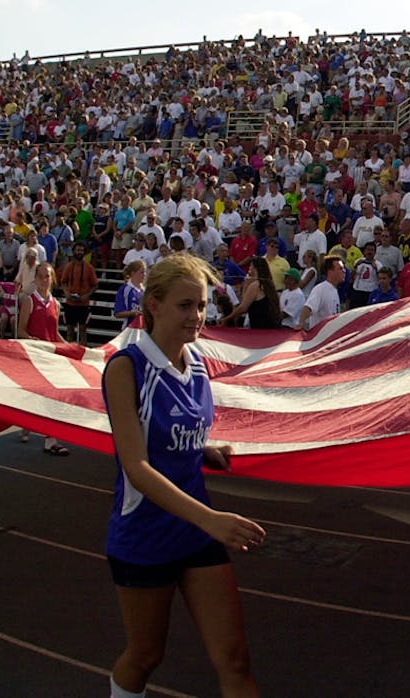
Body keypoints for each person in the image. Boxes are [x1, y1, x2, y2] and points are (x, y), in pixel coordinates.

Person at [101, 253, 265, 698]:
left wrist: (204, 450)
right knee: (145, 655)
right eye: (185, 305)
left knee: (234, 659)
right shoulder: (126, 368)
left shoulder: (195, 364)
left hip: (195, 536)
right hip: (145, 536)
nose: (197, 316)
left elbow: (174, 436)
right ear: (152, 305)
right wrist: (211, 520)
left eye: (202, 305)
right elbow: (136, 468)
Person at [16, 262, 70, 456]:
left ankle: (50, 439)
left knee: (50, 397)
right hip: (34, 355)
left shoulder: (55, 304)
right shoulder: (30, 301)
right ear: (35, 279)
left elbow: (54, 333)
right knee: (34, 395)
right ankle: (27, 423)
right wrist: (31, 340)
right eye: (40, 276)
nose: (44, 280)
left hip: (49, 358)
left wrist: (70, 348)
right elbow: (20, 329)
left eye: (47, 276)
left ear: (52, 279)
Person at [218, 257, 283, 329]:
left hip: (260, 325)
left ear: (254, 268)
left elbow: (243, 307)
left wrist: (227, 318)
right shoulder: (269, 284)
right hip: (270, 325)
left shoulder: (256, 285)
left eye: (250, 266)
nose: (249, 268)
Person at [57, 244, 99, 344]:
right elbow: (63, 281)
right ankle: (68, 353)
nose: (79, 252)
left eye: (81, 250)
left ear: (84, 252)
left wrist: (87, 295)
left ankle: (82, 351)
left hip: (83, 304)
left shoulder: (89, 267)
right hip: (70, 303)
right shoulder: (69, 266)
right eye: (77, 250)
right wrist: (66, 292)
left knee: (83, 330)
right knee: (69, 330)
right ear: (73, 251)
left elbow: (95, 285)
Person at [298, 255, 344, 330]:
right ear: (330, 272)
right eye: (340, 269)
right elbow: (308, 307)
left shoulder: (334, 290)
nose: (344, 271)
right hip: (320, 337)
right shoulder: (320, 289)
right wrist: (300, 323)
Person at [114, 260, 146, 328]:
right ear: (133, 273)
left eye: (145, 272)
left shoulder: (144, 290)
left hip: (143, 330)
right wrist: (133, 313)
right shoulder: (125, 289)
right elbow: (118, 313)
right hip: (129, 330)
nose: (144, 274)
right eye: (142, 272)